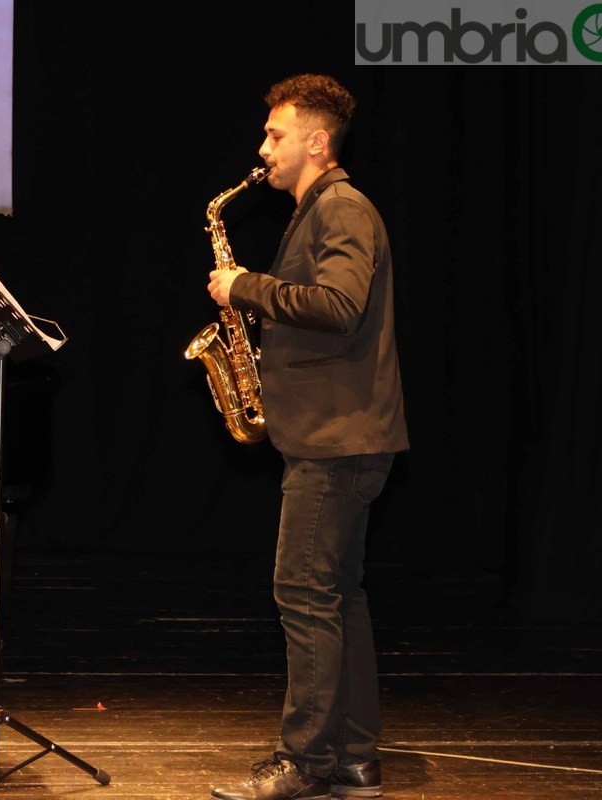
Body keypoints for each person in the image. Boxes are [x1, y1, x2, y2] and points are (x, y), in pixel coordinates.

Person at [207, 75, 409, 800]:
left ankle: (305, 761)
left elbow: (338, 305)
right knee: (337, 595)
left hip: (336, 440)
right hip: (337, 434)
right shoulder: (320, 211)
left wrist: (245, 288)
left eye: (276, 135)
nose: (263, 148)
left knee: (301, 592)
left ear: (317, 141)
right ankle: (354, 757)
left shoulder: (342, 207)